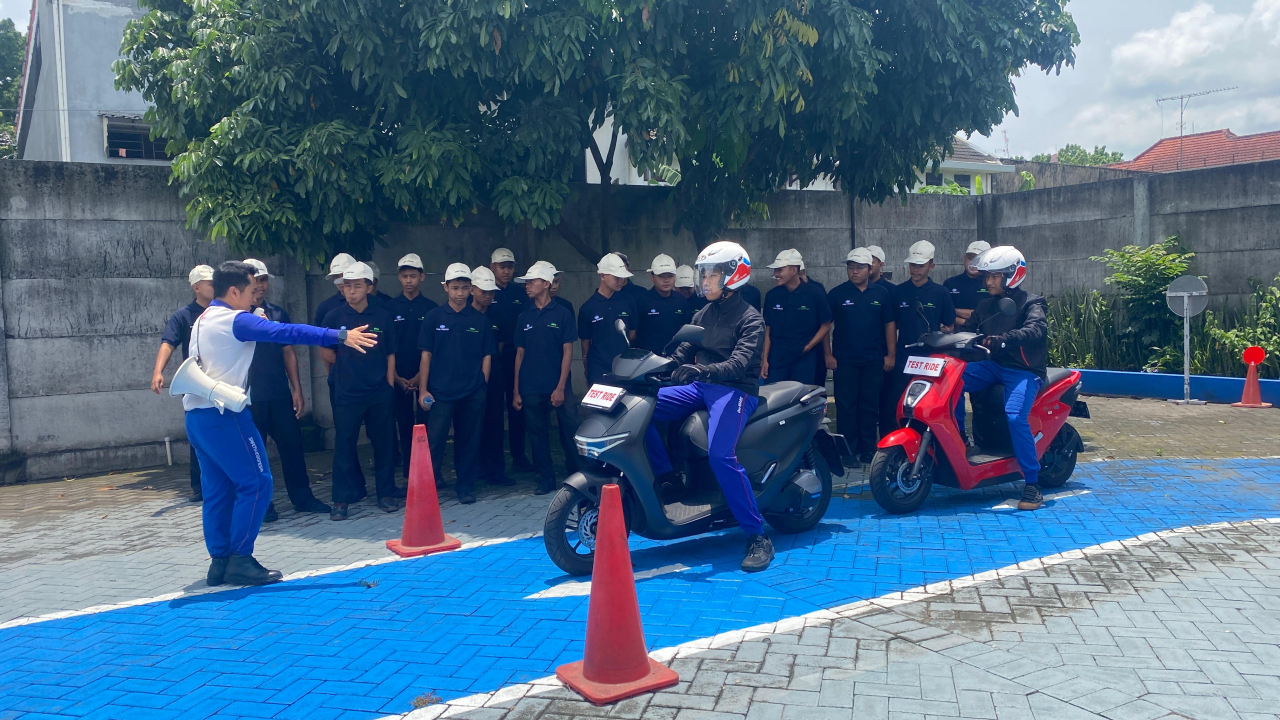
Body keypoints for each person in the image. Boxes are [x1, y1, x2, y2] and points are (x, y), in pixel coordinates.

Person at [182, 261, 376, 586]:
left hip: (197, 417)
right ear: (234, 292)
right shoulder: (236, 320)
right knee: (257, 483)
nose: (255, 295)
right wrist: (340, 335)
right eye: (250, 290)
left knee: (217, 490)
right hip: (227, 416)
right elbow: (287, 332)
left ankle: (220, 562)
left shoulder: (203, 318)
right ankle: (240, 559)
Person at [643, 241, 774, 572]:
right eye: (704, 275)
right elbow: (680, 352)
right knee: (639, 409)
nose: (705, 281)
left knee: (720, 456)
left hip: (734, 392)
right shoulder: (702, 314)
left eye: (712, 275)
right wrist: (650, 368)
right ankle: (668, 478)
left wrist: (702, 371)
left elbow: (739, 364)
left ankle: (757, 536)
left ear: (733, 275)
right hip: (701, 387)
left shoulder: (751, 319)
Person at [954, 246, 1048, 511]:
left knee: (1015, 417)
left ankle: (1032, 484)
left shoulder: (1032, 303)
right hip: (992, 366)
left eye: (995, 276)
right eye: (988, 276)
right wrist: (941, 337)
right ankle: (961, 441)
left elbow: (1035, 329)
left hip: (1023, 370)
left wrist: (1004, 339)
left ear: (1012, 275)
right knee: (951, 382)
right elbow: (967, 330)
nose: (989, 281)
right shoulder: (986, 305)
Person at [242, 259, 332, 522]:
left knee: (293, 447)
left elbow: (288, 352)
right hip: (248, 398)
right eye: (255, 280)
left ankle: (303, 498)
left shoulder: (277, 313)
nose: (260, 285)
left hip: (279, 393)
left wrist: (297, 389)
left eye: (263, 280)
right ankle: (261, 505)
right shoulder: (236, 317)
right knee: (254, 454)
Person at [320, 262, 400, 521]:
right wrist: (341, 373)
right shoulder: (334, 317)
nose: (351, 291)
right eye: (347, 286)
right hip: (347, 392)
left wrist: (389, 384)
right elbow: (325, 352)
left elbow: (390, 353)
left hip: (379, 391)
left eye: (357, 286)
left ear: (369, 287)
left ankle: (386, 494)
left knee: (384, 444)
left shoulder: (382, 315)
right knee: (344, 445)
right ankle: (341, 500)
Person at [419, 264, 497, 504]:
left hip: (471, 392)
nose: (460, 293)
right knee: (434, 442)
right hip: (440, 392)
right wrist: (423, 389)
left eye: (464, 288)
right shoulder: (433, 317)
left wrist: (482, 383)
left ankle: (465, 487)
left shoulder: (479, 319)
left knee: (468, 441)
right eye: (455, 288)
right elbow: (426, 355)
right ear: (445, 287)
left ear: (471, 288)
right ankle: (427, 488)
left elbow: (487, 354)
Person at [513, 261, 580, 495]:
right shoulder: (524, 315)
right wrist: (516, 390)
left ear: (546, 283)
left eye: (531, 282)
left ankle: (579, 474)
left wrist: (561, 386)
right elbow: (519, 354)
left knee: (571, 429)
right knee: (537, 434)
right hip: (530, 386)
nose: (527, 286)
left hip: (558, 384)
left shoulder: (562, 313)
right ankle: (546, 478)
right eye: (526, 282)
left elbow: (568, 351)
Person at [825, 249, 896, 463]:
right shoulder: (837, 294)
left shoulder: (881, 293)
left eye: (859, 267)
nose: (854, 272)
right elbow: (826, 326)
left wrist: (891, 355)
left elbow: (889, 325)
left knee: (869, 406)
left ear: (869, 268)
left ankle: (868, 450)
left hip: (874, 359)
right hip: (845, 360)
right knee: (846, 406)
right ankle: (847, 452)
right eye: (850, 267)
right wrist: (828, 354)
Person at [153, 264, 216, 502]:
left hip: (222, 382)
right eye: (209, 283)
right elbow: (168, 343)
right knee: (198, 435)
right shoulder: (184, 315)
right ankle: (199, 487)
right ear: (196, 287)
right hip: (195, 386)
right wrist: (158, 371)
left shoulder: (224, 312)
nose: (214, 286)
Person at [882, 241, 956, 436]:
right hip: (904, 357)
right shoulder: (897, 292)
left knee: (927, 403)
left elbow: (950, 325)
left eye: (920, 265)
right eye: (912, 265)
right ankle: (896, 441)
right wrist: (891, 354)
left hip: (931, 359)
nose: (915, 269)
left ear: (931, 265)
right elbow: (891, 324)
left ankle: (926, 441)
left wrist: (944, 333)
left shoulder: (941, 292)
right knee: (897, 401)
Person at [389, 254, 438, 480]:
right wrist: (396, 376)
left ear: (422, 277)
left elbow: (434, 348)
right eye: (404, 276)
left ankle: (429, 469)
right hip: (398, 376)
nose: (409, 280)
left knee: (427, 422)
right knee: (404, 422)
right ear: (399, 277)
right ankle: (410, 471)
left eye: (413, 276)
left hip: (426, 377)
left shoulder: (431, 309)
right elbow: (387, 347)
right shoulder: (390, 308)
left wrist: (421, 377)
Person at [473, 265, 517, 488]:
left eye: (491, 292)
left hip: (495, 374)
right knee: (471, 424)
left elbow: (498, 345)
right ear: (473, 290)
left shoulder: (497, 314)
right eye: (484, 292)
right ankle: (474, 468)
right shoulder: (465, 314)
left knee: (495, 422)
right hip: (468, 376)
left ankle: (496, 470)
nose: (488, 296)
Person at [490, 248, 533, 473]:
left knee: (518, 409)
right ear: (492, 267)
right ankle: (494, 461)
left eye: (509, 267)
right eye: (502, 267)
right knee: (494, 411)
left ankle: (519, 456)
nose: (506, 271)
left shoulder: (519, 293)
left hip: (517, 355)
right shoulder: (487, 291)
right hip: (493, 358)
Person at [761, 249, 831, 385]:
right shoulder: (772, 295)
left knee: (802, 394)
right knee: (775, 394)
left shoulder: (815, 293)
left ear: (793, 270)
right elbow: (768, 329)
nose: (776, 274)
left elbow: (826, 325)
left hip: (804, 357)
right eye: (775, 270)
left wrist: (808, 347)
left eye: (780, 270)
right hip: (777, 357)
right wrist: (765, 359)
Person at [578, 253, 638, 385]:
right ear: (603, 276)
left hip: (625, 369)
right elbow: (585, 343)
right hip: (598, 370)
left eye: (622, 277)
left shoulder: (629, 301)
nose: (621, 281)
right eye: (616, 277)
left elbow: (632, 334)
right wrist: (587, 370)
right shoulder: (588, 307)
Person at [635, 254, 690, 354]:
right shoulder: (641, 301)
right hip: (648, 358)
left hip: (675, 357)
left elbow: (683, 328)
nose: (666, 280)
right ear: (652, 277)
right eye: (661, 276)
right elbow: (634, 332)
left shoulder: (681, 299)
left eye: (670, 276)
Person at [945, 241, 992, 330]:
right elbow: (944, 313)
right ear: (964, 258)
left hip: (982, 335)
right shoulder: (950, 283)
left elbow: (987, 316)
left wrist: (955, 312)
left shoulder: (991, 284)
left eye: (978, 259)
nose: (973, 263)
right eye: (970, 258)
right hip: (954, 335)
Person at [312, 253, 356, 326]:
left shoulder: (374, 302)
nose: (341, 280)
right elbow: (318, 332)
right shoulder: (325, 307)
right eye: (336, 276)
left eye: (344, 275)